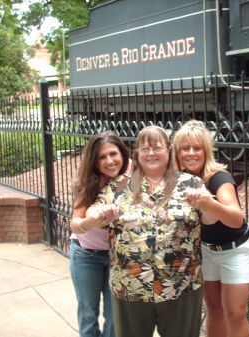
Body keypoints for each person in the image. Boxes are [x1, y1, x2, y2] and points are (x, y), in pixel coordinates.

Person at [90, 125, 212, 337]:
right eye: (145, 149)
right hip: (130, 288)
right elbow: (94, 212)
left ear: (168, 150)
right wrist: (97, 216)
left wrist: (209, 206)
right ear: (137, 153)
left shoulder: (191, 183)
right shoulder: (117, 186)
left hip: (181, 286)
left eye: (157, 147)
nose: (151, 153)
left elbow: (210, 219)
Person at [173, 120, 249, 337]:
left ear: (206, 151)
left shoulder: (219, 179)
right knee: (214, 308)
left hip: (235, 250)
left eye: (197, 148)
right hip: (208, 250)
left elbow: (236, 219)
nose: (191, 153)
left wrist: (211, 204)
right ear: (177, 152)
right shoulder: (180, 179)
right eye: (185, 148)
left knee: (235, 313)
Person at [69, 131, 130, 337]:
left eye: (113, 154)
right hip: (87, 255)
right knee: (88, 313)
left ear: (122, 153)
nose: (110, 161)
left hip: (117, 258)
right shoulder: (88, 183)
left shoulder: (134, 179)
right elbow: (75, 224)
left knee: (115, 316)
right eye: (102, 157)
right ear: (93, 161)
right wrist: (89, 222)